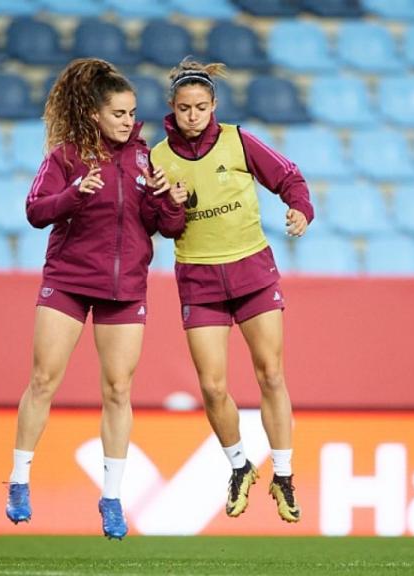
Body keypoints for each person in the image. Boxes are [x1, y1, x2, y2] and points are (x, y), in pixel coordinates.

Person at [5, 58, 186, 540]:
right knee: (43, 380)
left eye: (132, 113)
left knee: (118, 390)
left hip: (125, 288)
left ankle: (111, 497)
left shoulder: (146, 160)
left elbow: (166, 228)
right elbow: (35, 211)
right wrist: (74, 196)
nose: (130, 121)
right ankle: (20, 481)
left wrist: (170, 201)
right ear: (95, 116)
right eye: (121, 114)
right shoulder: (65, 157)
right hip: (68, 279)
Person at [150, 58, 314, 523]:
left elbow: (289, 178)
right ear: (173, 108)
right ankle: (240, 465)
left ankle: (283, 475)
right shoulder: (157, 160)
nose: (194, 115)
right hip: (199, 279)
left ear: (214, 105)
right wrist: (172, 208)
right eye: (185, 108)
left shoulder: (238, 141)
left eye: (201, 107)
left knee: (271, 375)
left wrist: (301, 210)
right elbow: (162, 228)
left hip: (253, 273)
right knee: (213, 386)